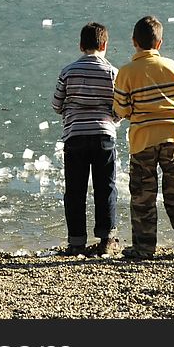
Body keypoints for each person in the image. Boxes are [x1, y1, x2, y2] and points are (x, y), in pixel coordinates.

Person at [113, 16, 174, 259]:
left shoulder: (127, 72)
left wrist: (134, 110)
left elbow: (121, 109)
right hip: (173, 136)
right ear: (159, 43)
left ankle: (144, 246)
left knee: (143, 195)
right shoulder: (172, 67)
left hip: (143, 139)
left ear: (134, 42)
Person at [52, 22, 120, 256]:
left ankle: (76, 241)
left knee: (75, 190)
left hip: (75, 136)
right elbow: (119, 109)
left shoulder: (68, 71)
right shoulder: (112, 73)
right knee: (106, 188)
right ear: (105, 45)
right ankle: (106, 239)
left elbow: (56, 105)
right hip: (104, 135)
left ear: (81, 46)